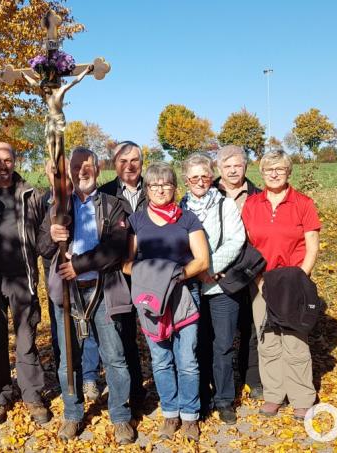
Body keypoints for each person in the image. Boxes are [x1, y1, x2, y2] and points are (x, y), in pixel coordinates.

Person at [38, 147, 136, 445]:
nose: (83, 171)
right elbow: (42, 248)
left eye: (88, 165)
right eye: (77, 166)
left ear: (98, 168)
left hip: (103, 289)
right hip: (68, 293)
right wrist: (52, 236)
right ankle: (72, 413)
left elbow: (116, 248)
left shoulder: (113, 205)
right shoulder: (59, 206)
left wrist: (78, 265)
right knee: (69, 359)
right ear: (69, 171)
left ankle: (120, 416)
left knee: (115, 357)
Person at [123, 162, 209, 441]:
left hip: (184, 295)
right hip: (150, 299)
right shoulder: (137, 221)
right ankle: (170, 413)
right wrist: (156, 278)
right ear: (146, 189)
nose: (160, 190)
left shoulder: (187, 219)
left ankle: (190, 415)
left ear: (175, 187)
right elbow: (126, 263)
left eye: (166, 184)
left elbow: (202, 261)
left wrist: (174, 276)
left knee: (187, 360)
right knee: (161, 360)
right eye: (154, 185)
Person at [0, 142, 51, 426]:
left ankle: (32, 395)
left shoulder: (30, 194)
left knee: (26, 340)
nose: (3, 166)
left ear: (15, 161)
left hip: (22, 278)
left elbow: (44, 233)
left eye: (8, 160)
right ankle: (0, 397)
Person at [242, 149, 321, 420]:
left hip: (292, 281)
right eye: (268, 169)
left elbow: (312, 246)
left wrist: (300, 280)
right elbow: (247, 245)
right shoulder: (252, 204)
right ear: (262, 173)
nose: (274, 174)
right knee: (267, 340)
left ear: (288, 172)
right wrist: (259, 280)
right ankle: (274, 394)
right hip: (262, 281)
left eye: (279, 169)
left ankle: (302, 396)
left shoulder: (303, 203)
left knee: (294, 341)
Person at [179, 153, 245, 424]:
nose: (200, 181)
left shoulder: (224, 205)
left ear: (211, 177)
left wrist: (210, 267)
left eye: (205, 176)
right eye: (194, 177)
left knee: (223, 345)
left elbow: (236, 239)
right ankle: (202, 396)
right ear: (186, 180)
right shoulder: (179, 207)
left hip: (219, 286)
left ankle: (224, 399)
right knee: (198, 345)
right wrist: (196, 270)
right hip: (191, 288)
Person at [41, 160, 102, 400]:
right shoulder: (45, 201)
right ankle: (68, 381)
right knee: (63, 334)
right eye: (53, 171)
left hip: (86, 275)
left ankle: (89, 377)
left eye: (65, 170)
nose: (59, 175)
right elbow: (41, 244)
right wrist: (51, 236)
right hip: (57, 278)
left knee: (90, 332)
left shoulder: (81, 201)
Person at [97, 140, 147, 412]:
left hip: (151, 273)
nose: (129, 166)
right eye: (123, 161)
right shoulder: (105, 193)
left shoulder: (155, 188)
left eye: (134, 160)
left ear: (142, 162)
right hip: (119, 276)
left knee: (158, 334)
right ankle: (134, 393)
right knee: (124, 336)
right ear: (114, 164)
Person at [213, 144, 263, 400]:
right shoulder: (207, 191)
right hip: (217, 270)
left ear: (245, 167)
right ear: (219, 168)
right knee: (218, 331)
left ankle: (251, 377)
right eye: (227, 166)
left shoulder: (258, 196)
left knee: (251, 326)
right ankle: (218, 381)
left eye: (238, 165)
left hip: (249, 269)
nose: (233, 170)